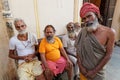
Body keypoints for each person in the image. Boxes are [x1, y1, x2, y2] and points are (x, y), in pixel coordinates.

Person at [75, 2, 115, 80]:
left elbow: (108, 55)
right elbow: (78, 51)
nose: (87, 20)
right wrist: (81, 67)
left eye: (89, 16)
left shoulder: (109, 32)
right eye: (84, 18)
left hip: (98, 74)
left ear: (97, 15)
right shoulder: (82, 31)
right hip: (84, 71)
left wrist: (94, 72)